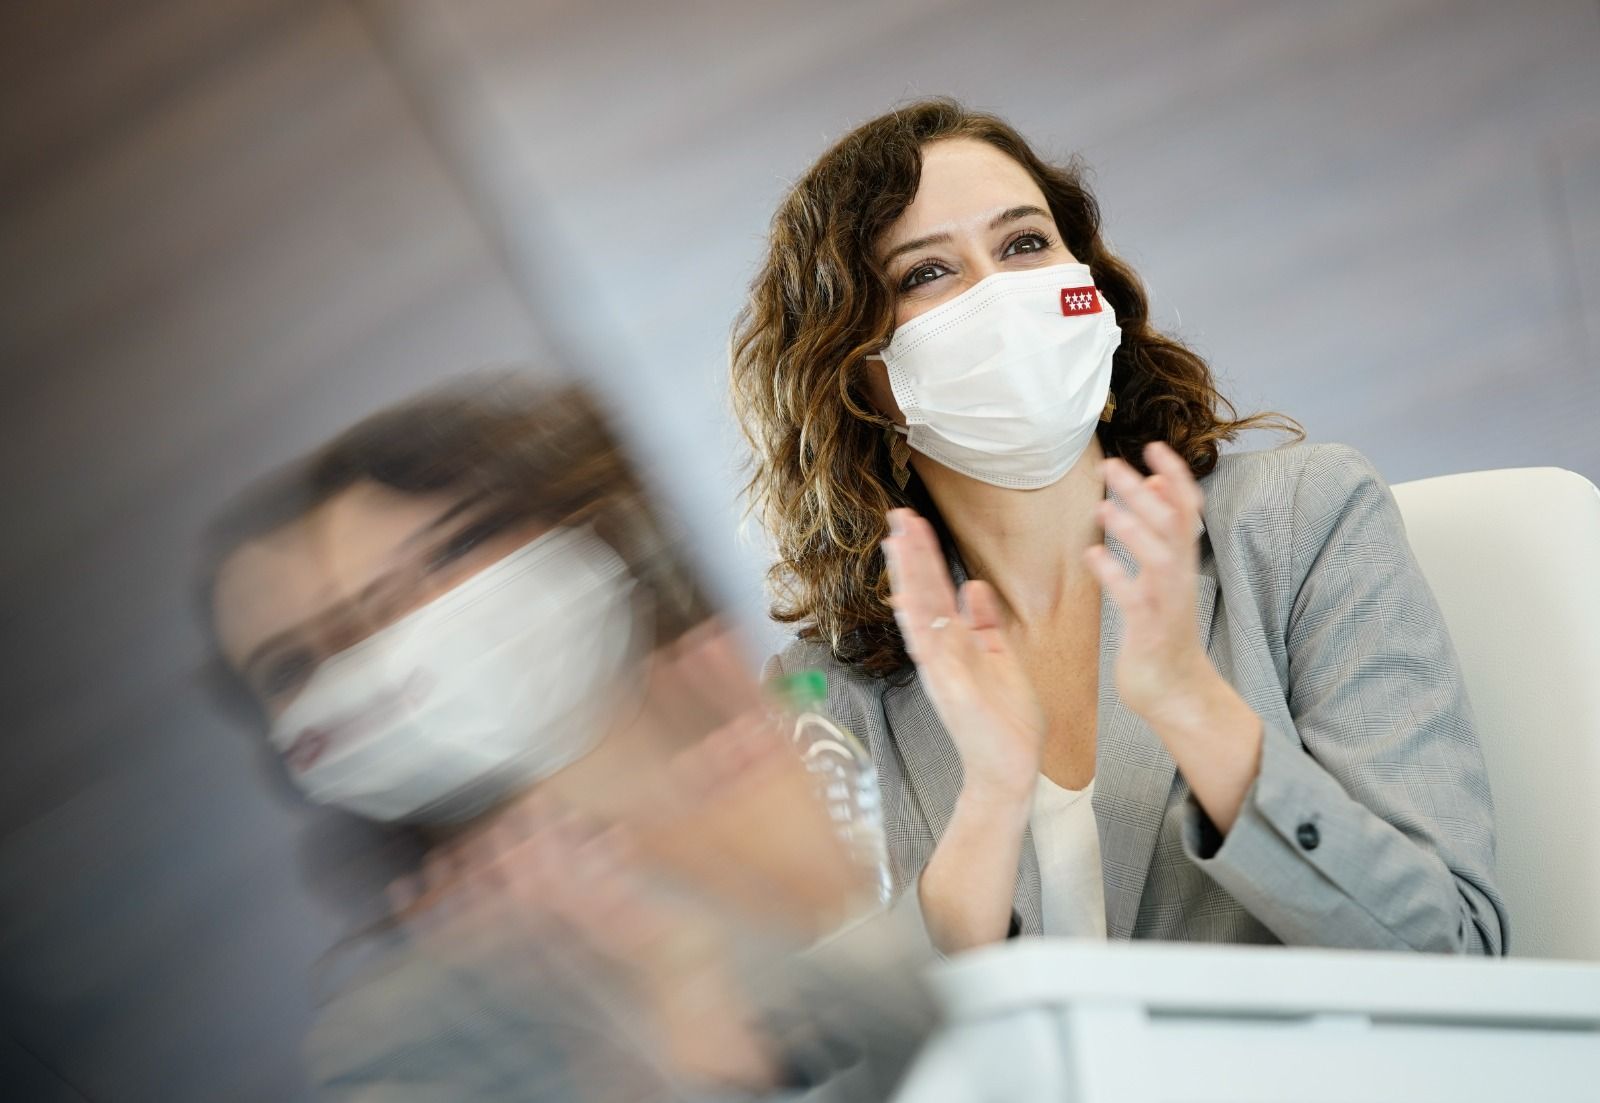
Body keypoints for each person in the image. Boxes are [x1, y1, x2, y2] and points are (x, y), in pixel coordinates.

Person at [730, 98, 1506, 957]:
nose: (1003, 294)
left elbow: (1453, 953)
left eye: (1025, 243)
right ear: (861, 381)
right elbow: (852, 1064)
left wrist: (1193, 705)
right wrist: (989, 801)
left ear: (1090, 290)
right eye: (926, 274)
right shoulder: (825, 691)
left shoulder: (1303, 521)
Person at [200, 375, 933, 1102]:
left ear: (578, 527)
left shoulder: (890, 698)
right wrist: (687, 1024)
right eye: (299, 659)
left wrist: (845, 907)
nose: (392, 638)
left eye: (448, 552)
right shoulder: (409, 1031)